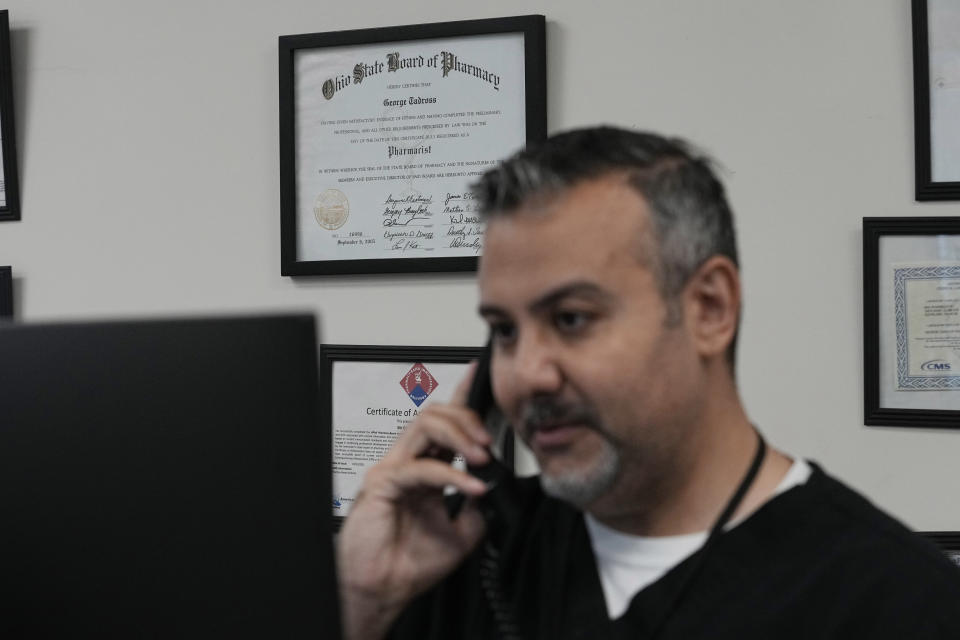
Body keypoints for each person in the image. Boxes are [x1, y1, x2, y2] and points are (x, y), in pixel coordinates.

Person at [336, 127, 960, 639]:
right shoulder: (462, 555)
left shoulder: (898, 602)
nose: (527, 374)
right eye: (504, 331)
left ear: (709, 309)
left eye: (572, 319)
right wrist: (359, 603)